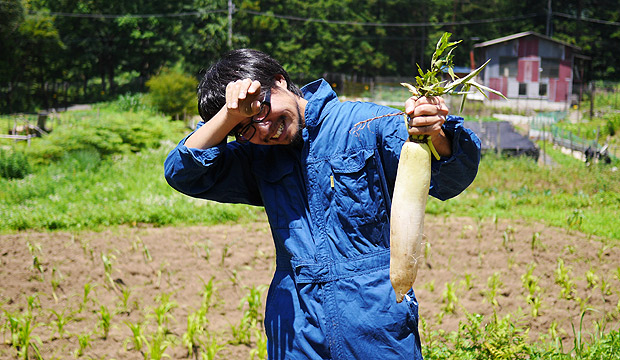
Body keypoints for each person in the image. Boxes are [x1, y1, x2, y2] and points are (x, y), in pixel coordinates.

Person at [164, 48, 481, 359]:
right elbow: (183, 174)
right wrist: (231, 115)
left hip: (375, 324)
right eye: (244, 128)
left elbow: (451, 177)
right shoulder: (256, 158)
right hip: (296, 331)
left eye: (259, 110)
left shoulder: (363, 125)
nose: (262, 129)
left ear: (280, 81)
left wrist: (435, 131)